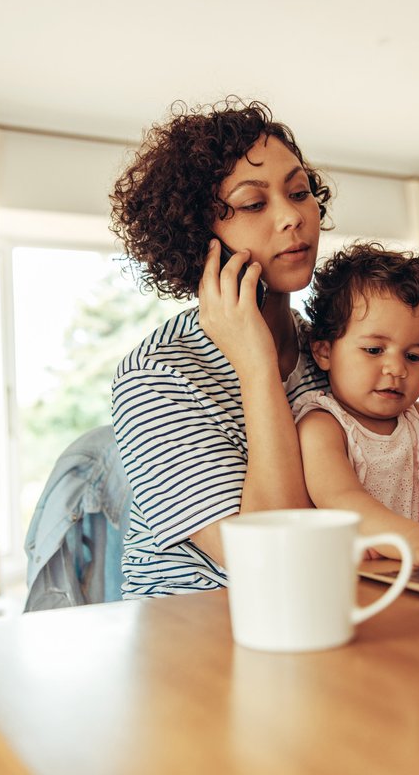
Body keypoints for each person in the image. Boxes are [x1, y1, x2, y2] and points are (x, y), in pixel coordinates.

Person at [109, 98, 333, 597]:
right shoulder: (153, 378)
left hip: (321, 611)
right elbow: (273, 556)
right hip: (195, 639)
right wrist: (255, 364)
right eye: (254, 204)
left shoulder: (330, 350)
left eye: (299, 192)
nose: (291, 217)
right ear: (198, 239)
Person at [294, 242, 419, 569]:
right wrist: (415, 538)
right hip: (358, 579)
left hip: (418, 570)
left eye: (414, 356)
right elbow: (342, 500)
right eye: (375, 350)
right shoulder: (322, 425)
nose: (397, 369)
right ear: (324, 352)